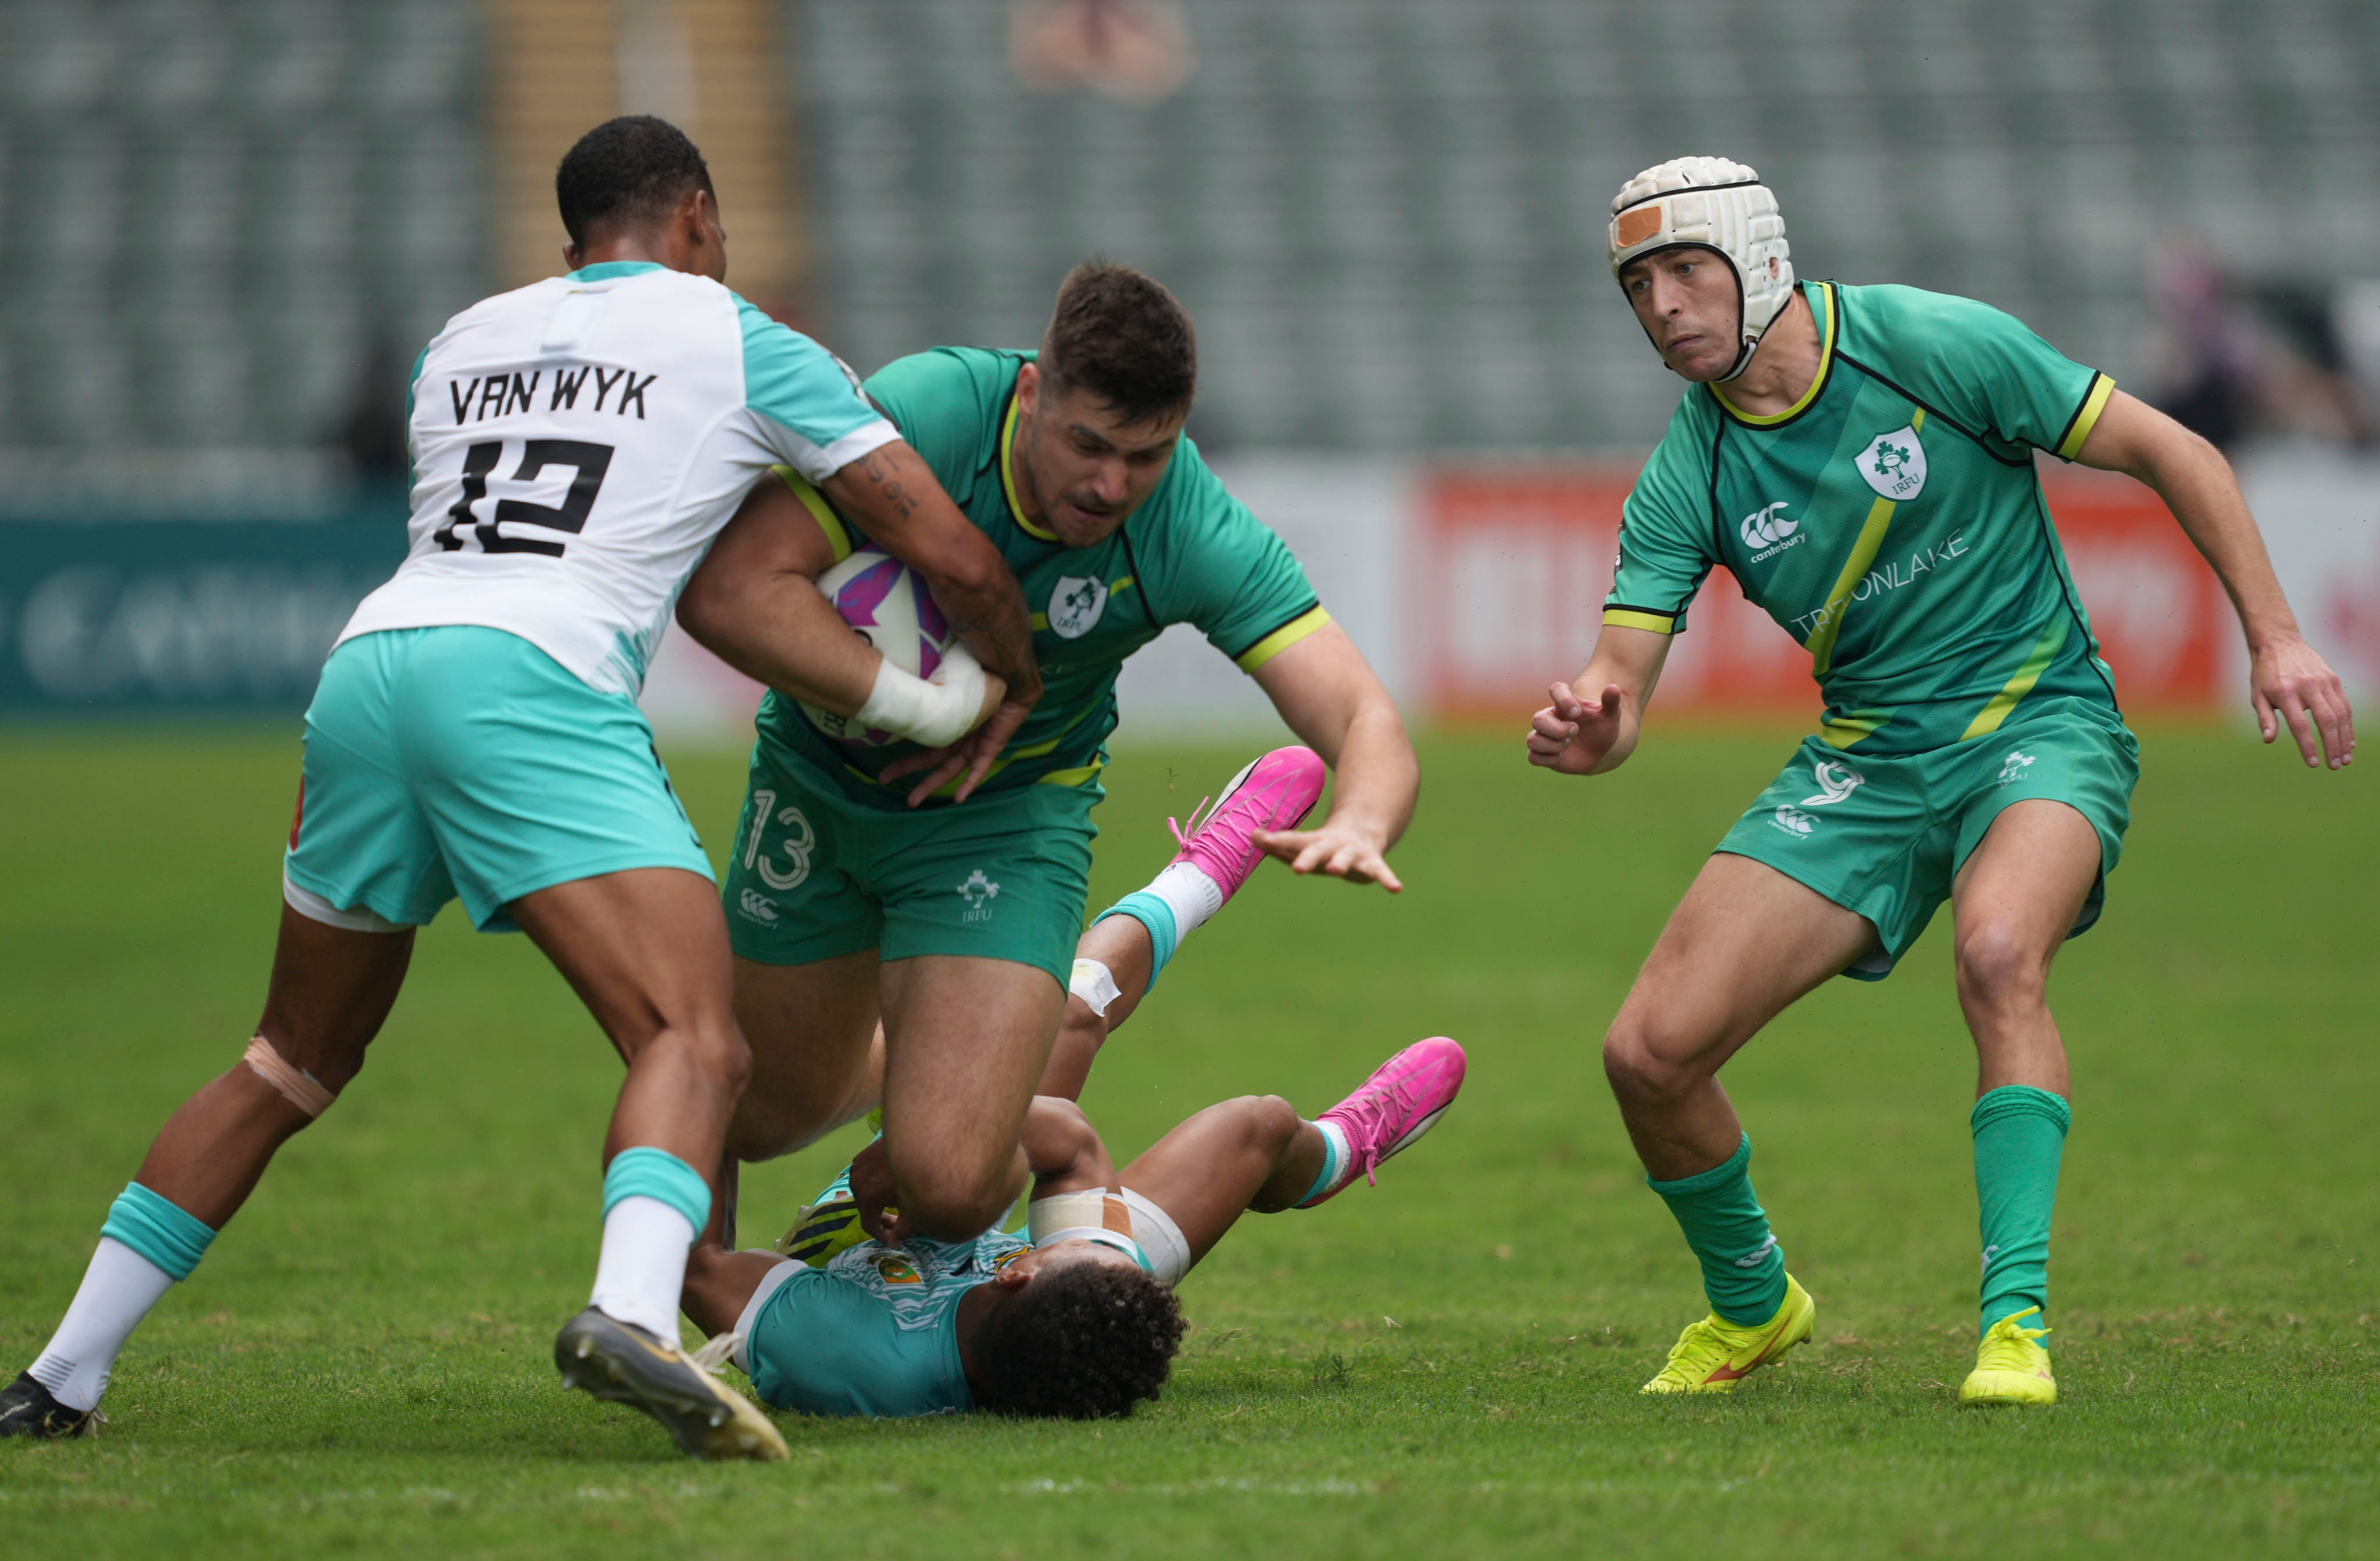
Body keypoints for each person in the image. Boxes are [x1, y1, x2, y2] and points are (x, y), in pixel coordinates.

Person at [0, 116, 1038, 1459]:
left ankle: (58, 1373)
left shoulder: (461, 339)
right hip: (532, 678)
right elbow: (935, 533)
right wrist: (1001, 677)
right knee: (697, 1040)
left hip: (373, 667)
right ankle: (629, 1312)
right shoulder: (735, 333)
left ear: (570, 246)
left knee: (289, 1057)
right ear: (701, 224)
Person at [1527, 157, 2354, 1405]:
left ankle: (2012, 1325)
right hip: (1867, 760)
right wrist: (1595, 723)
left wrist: (2274, 633)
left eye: (1684, 270)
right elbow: (1618, 679)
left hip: (2041, 724)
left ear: (1757, 259)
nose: (1661, 305)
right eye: (1636, 285)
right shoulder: (1687, 473)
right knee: (1645, 1052)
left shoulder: (1927, 343)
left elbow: (2171, 447)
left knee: (1995, 954)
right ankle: (1755, 1305)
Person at [674, 261, 1419, 1254]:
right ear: (1031, 392)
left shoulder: (1185, 524)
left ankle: (983, 1033)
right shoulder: (925, 417)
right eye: (1088, 445)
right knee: (750, 1110)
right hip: (819, 782)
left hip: (1008, 811)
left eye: (1148, 454)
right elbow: (731, 591)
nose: (1112, 485)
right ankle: (954, 1036)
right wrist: (925, 706)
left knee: (948, 1184)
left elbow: (1365, 715)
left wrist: (1364, 818)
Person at [677, 1032, 1466, 1420]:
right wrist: (939, 1146)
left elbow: (695, 1261)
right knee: (1255, 1126)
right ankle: (1334, 1149)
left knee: (1056, 1026)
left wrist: (710, 1052)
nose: (1100, 1239)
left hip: (867, 1231)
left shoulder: (839, 1343)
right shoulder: (1073, 1314)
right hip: (1027, 1291)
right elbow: (1072, 1142)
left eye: (1087, 1245)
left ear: (1018, 1264)